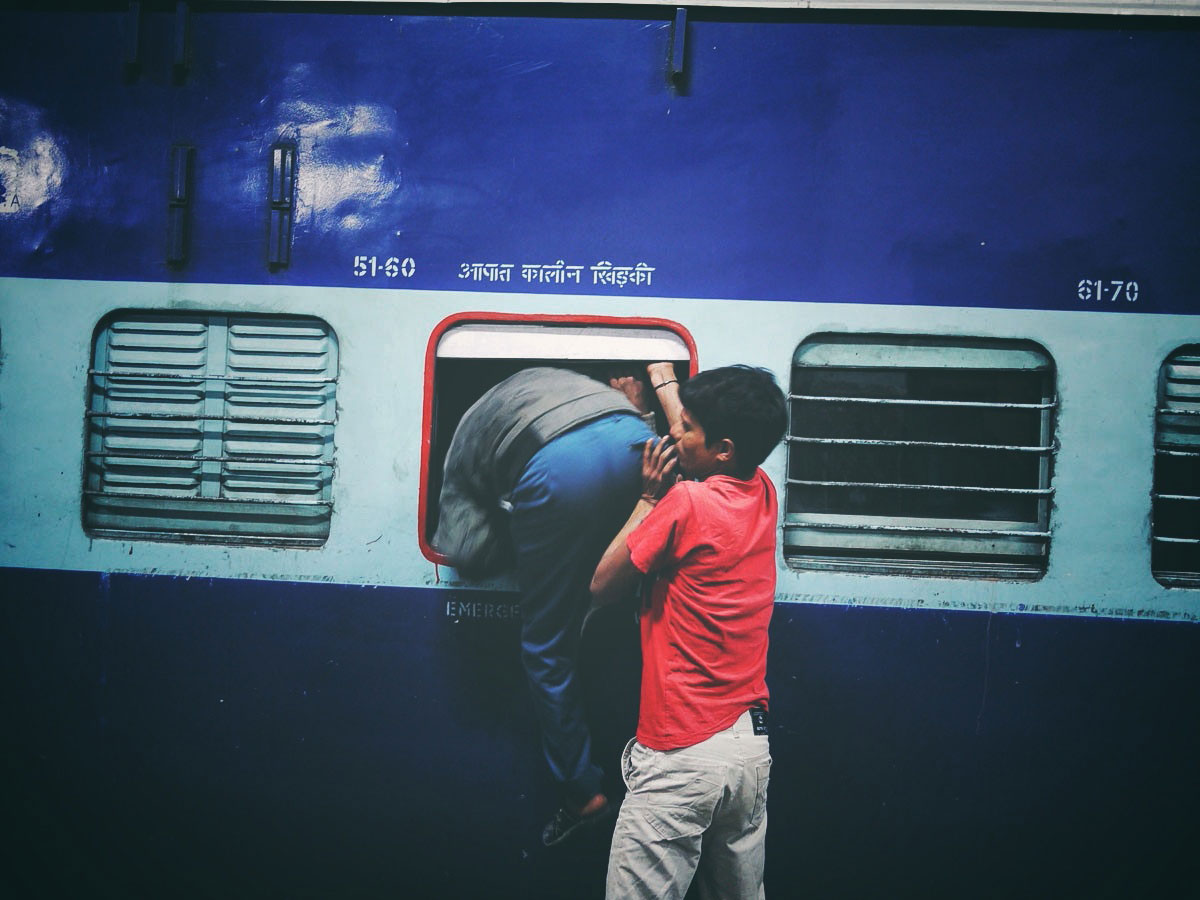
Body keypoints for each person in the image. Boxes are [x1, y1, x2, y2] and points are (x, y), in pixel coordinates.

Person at [432, 366, 657, 846]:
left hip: (560, 469)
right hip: (636, 439)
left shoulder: (464, 453)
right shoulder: (552, 382)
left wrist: (523, 530)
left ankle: (582, 793)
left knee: (546, 649)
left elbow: (469, 555)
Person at [591, 361, 787, 900]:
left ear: (723, 448)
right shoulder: (762, 491)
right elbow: (712, 440)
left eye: (686, 426)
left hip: (682, 752)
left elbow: (603, 585)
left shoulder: (684, 503)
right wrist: (663, 379)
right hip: (748, 753)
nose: (674, 432)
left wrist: (648, 497)